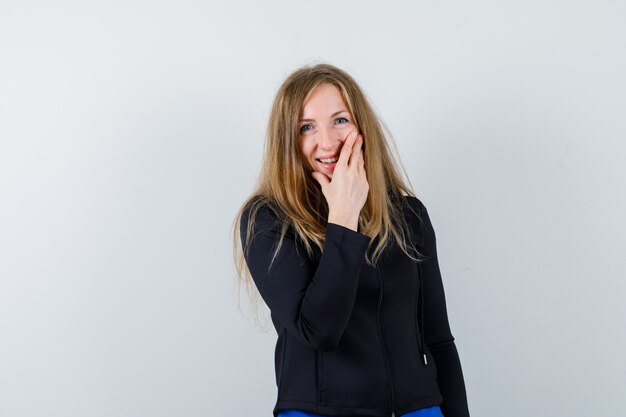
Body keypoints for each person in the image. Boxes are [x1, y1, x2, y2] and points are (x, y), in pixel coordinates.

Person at [232, 63, 470, 417]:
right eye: (306, 127)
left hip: (418, 409)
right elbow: (320, 331)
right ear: (288, 140)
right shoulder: (267, 219)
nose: (327, 141)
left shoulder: (409, 216)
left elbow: (437, 340)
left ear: (361, 127)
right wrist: (342, 218)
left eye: (340, 120)